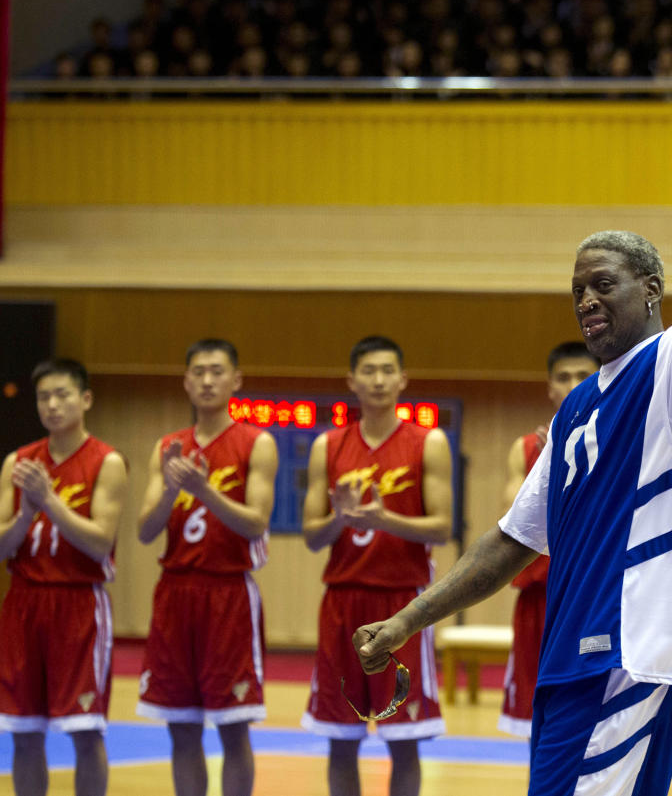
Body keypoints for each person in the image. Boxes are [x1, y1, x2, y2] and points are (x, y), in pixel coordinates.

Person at [354, 60, 672, 796]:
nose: (585, 299)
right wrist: (409, 619)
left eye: (601, 283)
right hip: (566, 660)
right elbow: (511, 541)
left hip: (628, 657)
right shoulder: (575, 408)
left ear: (649, 290)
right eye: (576, 288)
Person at [300, 335, 455, 796]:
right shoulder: (326, 445)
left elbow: (443, 528)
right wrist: (339, 519)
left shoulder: (428, 443)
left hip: (402, 605)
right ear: (352, 381)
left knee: (403, 741)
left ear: (403, 379)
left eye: (388, 370)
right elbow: (311, 536)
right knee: (340, 741)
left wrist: (386, 518)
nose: (379, 379)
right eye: (369, 370)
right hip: (342, 603)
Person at [135, 339, 278, 796]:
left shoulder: (257, 442)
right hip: (175, 593)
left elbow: (255, 523)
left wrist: (206, 491)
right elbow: (143, 530)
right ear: (186, 382)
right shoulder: (168, 447)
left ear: (236, 380)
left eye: (217, 371)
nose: (207, 380)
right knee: (181, 727)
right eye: (198, 371)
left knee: (233, 727)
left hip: (227, 593)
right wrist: (172, 490)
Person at [0, 359, 128, 796]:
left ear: (85, 399)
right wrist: (26, 513)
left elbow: (99, 541)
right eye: (43, 397)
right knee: (23, 732)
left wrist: (49, 502)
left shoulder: (107, 462)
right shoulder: (17, 463)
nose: (52, 405)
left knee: (86, 730)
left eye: (62, 395)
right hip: (23, 604)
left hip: (79, 606)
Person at [498, 341, 599, 739]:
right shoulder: (526, 449)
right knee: (536, 725)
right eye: (564, 377)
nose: (573, 384)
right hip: (539, 601)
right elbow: (513, 526)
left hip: (592, 601)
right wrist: (549, 465)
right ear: (550, 387)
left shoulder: (621, 442)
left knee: (592, 722)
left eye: (583, 375)